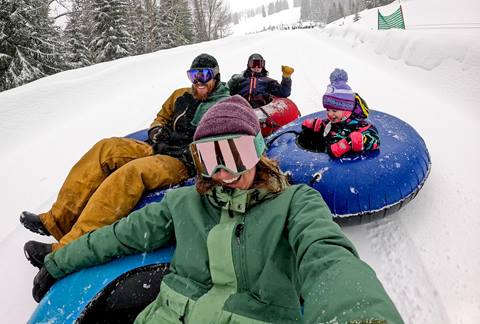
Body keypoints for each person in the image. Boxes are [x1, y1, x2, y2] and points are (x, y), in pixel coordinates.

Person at [31, 95, 403, 323]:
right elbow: (118, 236)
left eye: (236, 154)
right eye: (211, 158)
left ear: (258, 150)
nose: (224, 173)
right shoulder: (183, 204)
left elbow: (329, 260)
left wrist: (361, 317)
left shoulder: (295, 204)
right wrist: (58, 262)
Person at [21, 53, 230, 268]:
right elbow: (162, 117)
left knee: (131, 174)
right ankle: (57, 220)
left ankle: (67, 248)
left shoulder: (222, 105)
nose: (198, 81)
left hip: (181, 161)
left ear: (216, 76)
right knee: (106, 148)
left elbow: (220, 142)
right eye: (193, 75)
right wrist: (157, 130)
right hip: (157, 147)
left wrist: (192, 151)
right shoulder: (180, 95)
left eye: (204, 75)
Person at [299, 68, 380, 157]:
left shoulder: (358, 125)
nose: (330, 114)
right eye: (328, 110)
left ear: (346, 111)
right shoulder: (334, 122)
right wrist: (319, 125)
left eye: (334, 110)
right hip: (327, 158)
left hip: (346, 167)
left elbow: (374, 140)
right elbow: (328, 127)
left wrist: (354, 141)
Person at [227, 53, 294, 108]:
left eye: (259, 64)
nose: (256, 67)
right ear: (248, 65)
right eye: (253, 64)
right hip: (241, 109)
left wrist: (286, 77)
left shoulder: (268, 81)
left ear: (263, 66)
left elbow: (284, 93)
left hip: (261, 110)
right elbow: (226, 93)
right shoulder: (239, 79)